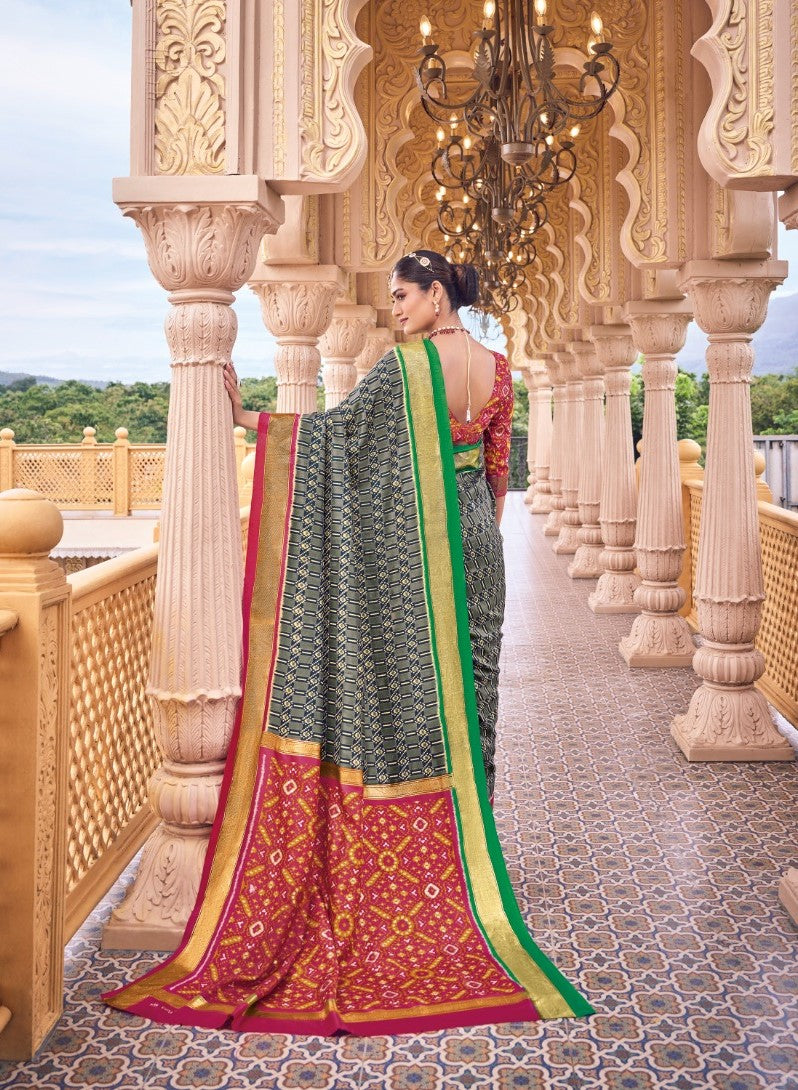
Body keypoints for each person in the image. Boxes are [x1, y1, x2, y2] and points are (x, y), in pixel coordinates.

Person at [104, 250, 591, 1035]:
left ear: (436, 296)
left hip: (417, 554)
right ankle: (474, 863)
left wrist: (244, 419)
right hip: (476, 547)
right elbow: (497, 474)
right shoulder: (498, 370)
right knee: (476, 693)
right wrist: (475, 546)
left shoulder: (406, 369)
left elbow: (333, 440)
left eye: (403, 296)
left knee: (411, 693)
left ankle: (418, 861)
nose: (395, 310)